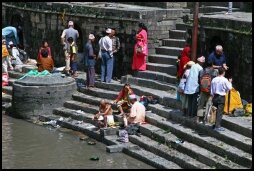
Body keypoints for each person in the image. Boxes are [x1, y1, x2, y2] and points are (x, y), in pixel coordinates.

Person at [210, 67, 232, 131]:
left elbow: (211, 90)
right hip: (221, 97)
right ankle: (217, 126)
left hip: (215, 96)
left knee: (214, 110)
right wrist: (230, 82)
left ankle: (214, 124)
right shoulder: (225, 80)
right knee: (219, 112)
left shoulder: (214, 79)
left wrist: (212, 96)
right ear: (224, 72)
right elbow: (230, 88)